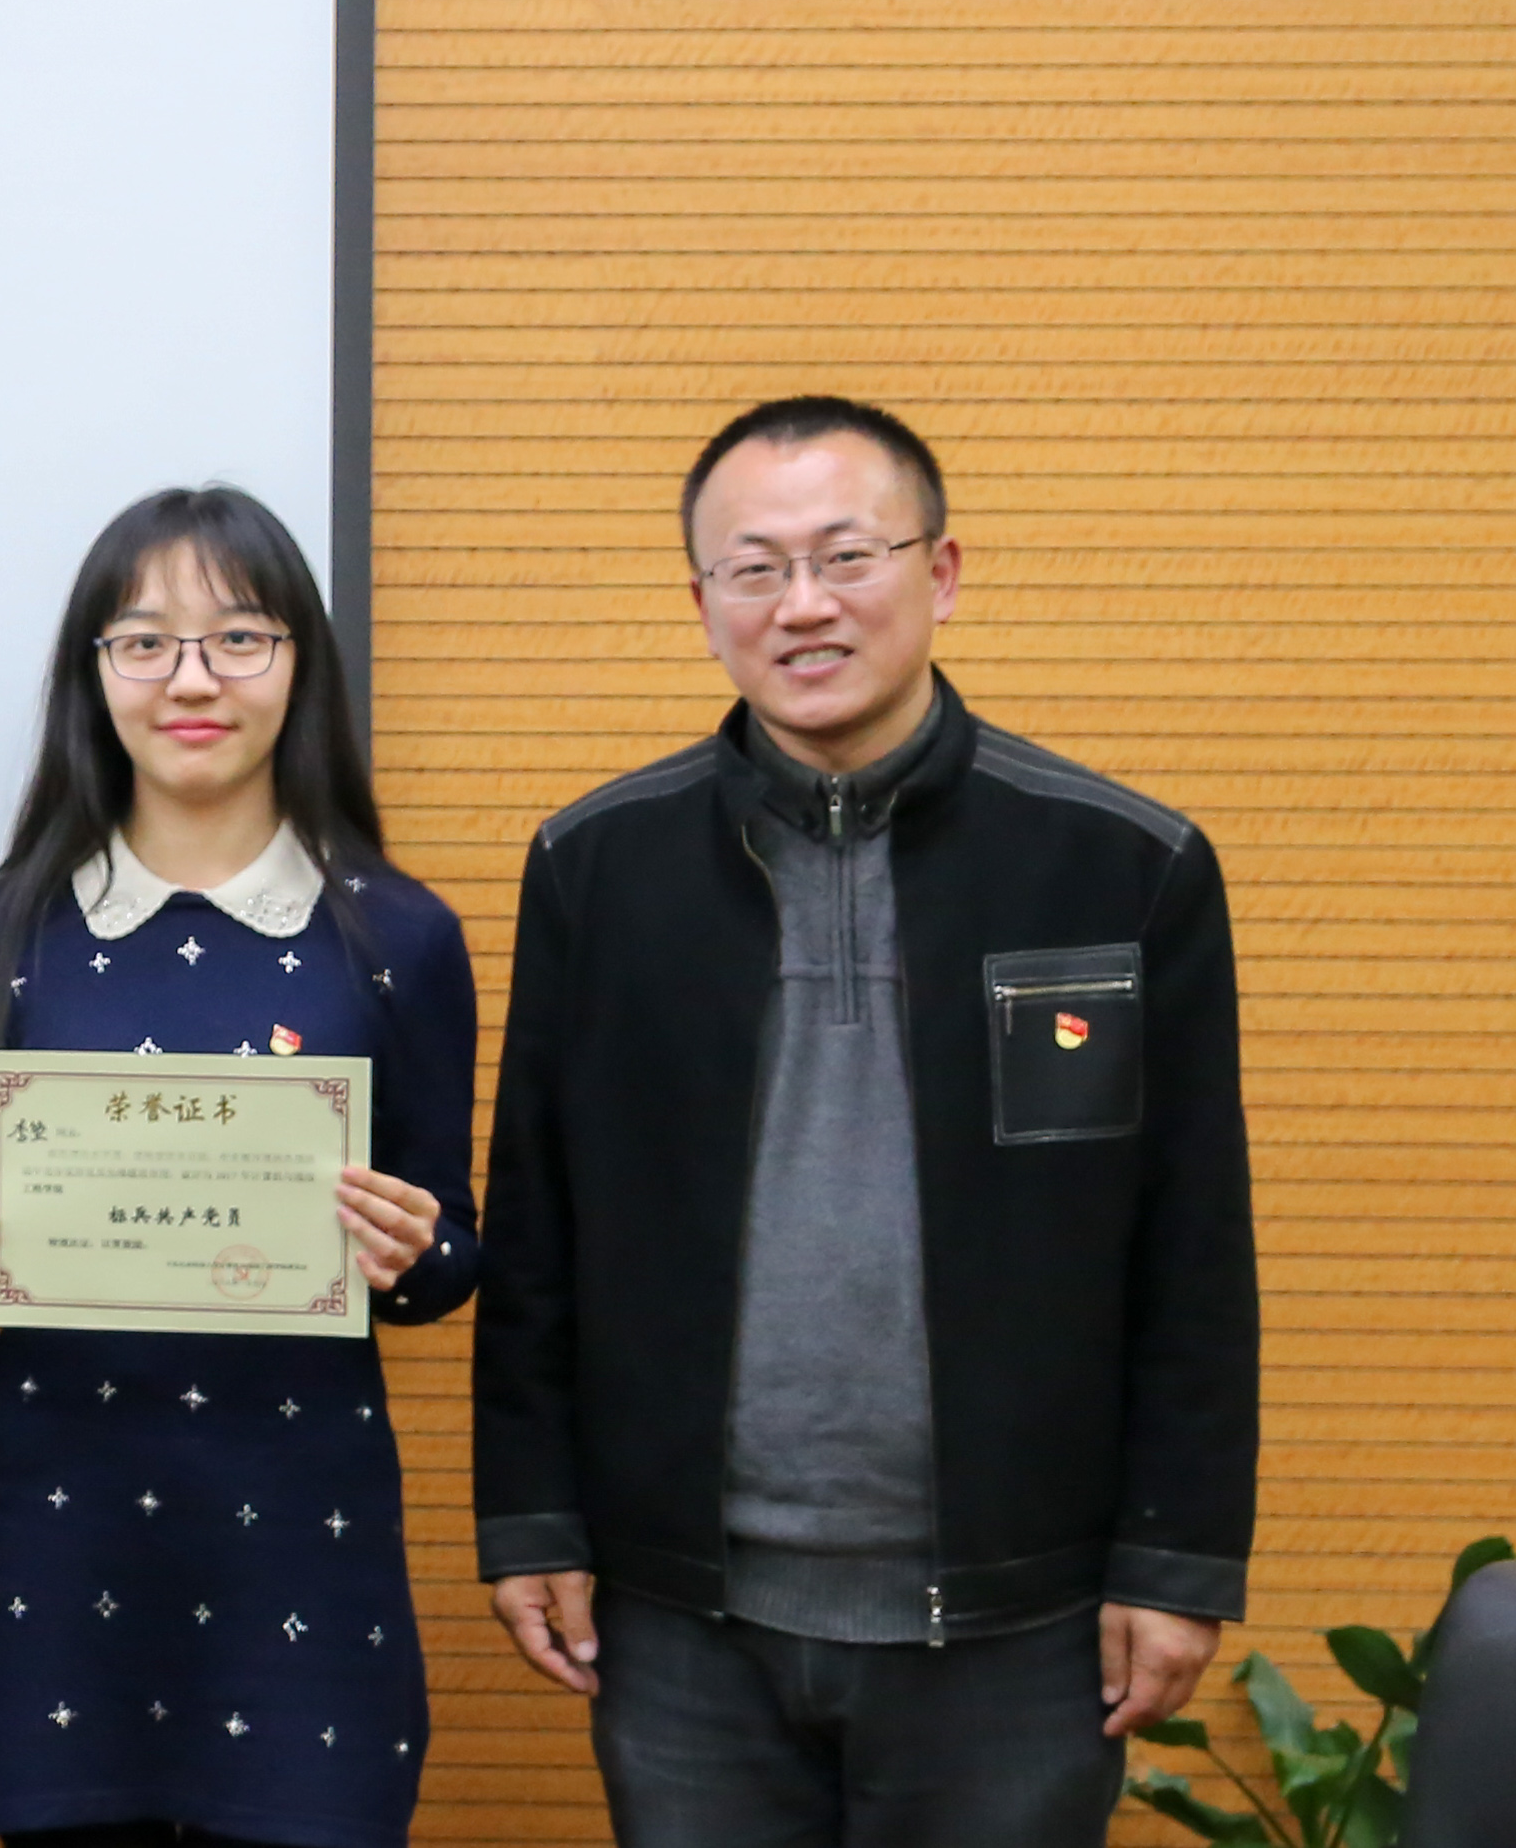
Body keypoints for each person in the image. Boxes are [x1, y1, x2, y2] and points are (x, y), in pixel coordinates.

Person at [476, 397, 1255, 1848]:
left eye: (847, 556)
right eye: (754, 568)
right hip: (683, 1614)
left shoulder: (1118, 863)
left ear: (941, 572)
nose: (804, 604)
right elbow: (538, 1223)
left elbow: (1192, 1239)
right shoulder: (597, 865)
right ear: (703, 605)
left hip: (1023, 1617)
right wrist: (532, 1519)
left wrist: (1176, 1558)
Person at [0, 486, 482, 1848]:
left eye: (239, 637)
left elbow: (451, 1252)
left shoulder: (398, 935)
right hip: (60, 1533)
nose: (192, 678)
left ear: (300, 665)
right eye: (145, 640)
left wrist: (412, 1251)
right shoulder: (5, 932)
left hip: (300, 1536)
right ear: (92, 674)